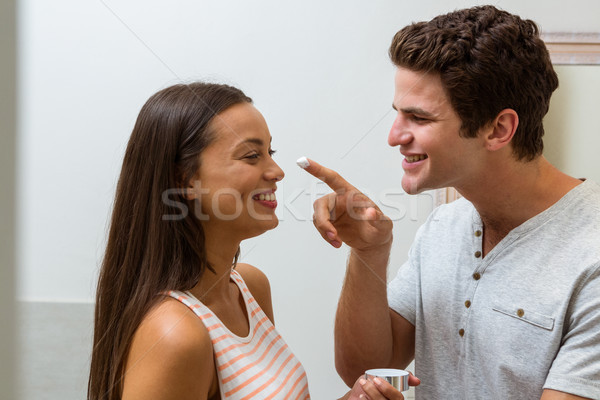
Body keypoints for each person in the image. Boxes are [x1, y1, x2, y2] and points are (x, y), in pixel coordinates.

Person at [301, 5, 600, 400]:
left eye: (418, 118)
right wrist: (369, 253)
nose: (394, 136)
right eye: (397, 114)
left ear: (498, 129)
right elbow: (364, 369)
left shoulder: (590, 255)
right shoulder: (445, 225)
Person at [87, 81, 406, 400]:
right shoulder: (175, 335)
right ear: (182, 179)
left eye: (271, 152)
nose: (277, 171)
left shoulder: (249, 287)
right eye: (252, 155)